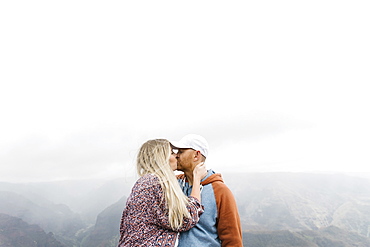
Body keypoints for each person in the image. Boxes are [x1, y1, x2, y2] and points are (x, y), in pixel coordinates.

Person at [118, 139, 207, 247]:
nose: (176, 156)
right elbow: (186, 219)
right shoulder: (154, 184)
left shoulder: (146, 182)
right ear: (162, 158)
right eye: (172, 153)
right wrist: (197, 179)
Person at [171, 134, 243, 247]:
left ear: (196, 155)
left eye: (181, 151)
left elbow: (232, 239)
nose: (176, 155)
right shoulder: (173, 184)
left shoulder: (220, 191)